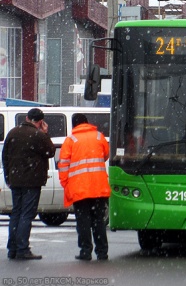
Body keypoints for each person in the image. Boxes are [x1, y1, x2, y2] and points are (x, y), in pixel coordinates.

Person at [2, 107, 55, 260]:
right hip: (32, 181)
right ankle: (22, 248)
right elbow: (50, 151)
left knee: (16, 213)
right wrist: (46, 133)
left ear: (26, 118)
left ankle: (12, 248)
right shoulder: (38, 135)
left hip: (15, 180)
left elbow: (5, 156)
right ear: (41, 122)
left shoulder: (12, 132)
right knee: (27, 214)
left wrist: (8, 177)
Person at [58, 114, 111, 261]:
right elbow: (106, 155)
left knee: (83, 221)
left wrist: (65, 183)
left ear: (74, 125)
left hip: (79, 189)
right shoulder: (99, 137)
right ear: (87, 123)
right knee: (98, 221)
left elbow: (63, 164)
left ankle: (85, 251)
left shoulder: (70, 140)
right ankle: (102, 252)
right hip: (99, 187)